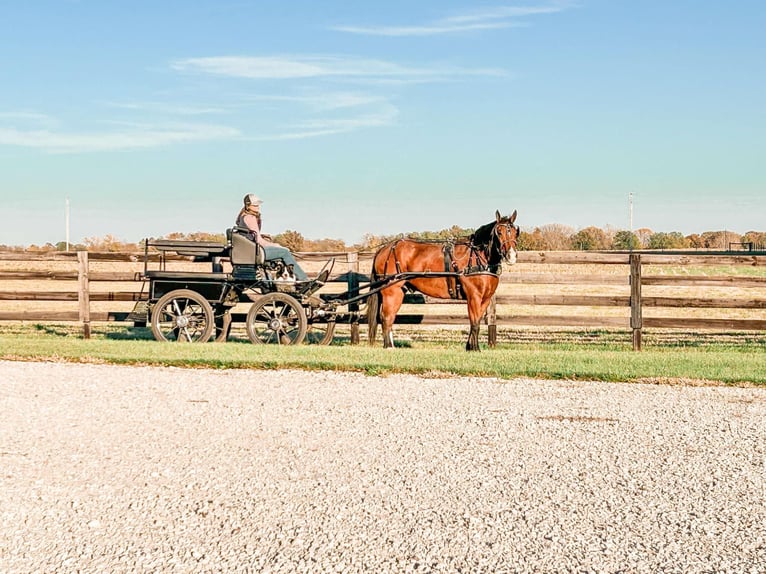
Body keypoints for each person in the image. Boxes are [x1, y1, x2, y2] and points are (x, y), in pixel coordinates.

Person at [235, 194, 309, 281]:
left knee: (282, 252)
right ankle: (303, 279)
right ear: (248, 206)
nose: (258, 206)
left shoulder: (243, 217)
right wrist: (276, 245)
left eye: (258, 204)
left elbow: (251, 235)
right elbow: (259, 240)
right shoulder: (250, 218)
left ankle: (278, 280)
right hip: (255, 252)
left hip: (250, 251)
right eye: (255, 205)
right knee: (284, 252)